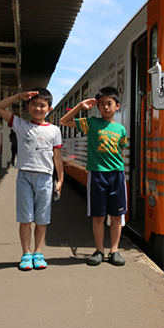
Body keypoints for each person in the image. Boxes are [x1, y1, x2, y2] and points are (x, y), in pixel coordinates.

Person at [0, 88, 64, 271]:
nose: (38, 108)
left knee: (42, 219)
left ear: (50, 109)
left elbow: (57, 157)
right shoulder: (20, 124)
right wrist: (18, 96)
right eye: (34, 104)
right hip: (24, 176)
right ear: (27, 106)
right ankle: (26, 253)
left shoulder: (55, 130)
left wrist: (60, 179)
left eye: (42, 105)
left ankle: (38, 253)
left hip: (46, 178)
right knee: (25, 218)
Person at [59, 86, 127, 266]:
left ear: (117, 106)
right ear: (98, 107)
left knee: (116, 216)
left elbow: (120, 150)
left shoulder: (121, 129)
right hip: (97, 175)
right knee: (98, 216)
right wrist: (80, 106)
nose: (105, 107)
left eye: (109, 104)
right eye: (102, 104)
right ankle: (99, 251)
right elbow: (64, 121)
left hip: (117, 175)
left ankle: (114, 251)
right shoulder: (91, 123)